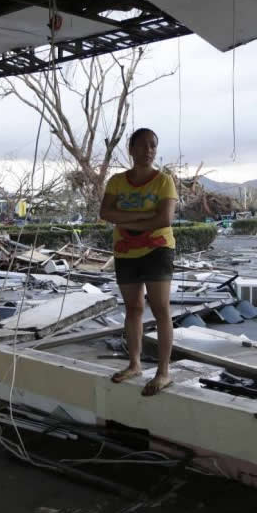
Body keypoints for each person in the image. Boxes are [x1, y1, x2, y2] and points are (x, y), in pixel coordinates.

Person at [99, 128, 177, 396]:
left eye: (153, 145)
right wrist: (143, 220)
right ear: (130, 149)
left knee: (160, 308)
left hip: (158, 249)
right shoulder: (117, 181)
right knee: (133, 308)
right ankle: (134, 364)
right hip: (125, 252)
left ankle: (163, 372)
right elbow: (105, 212)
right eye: (142, 145)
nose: (148, 150)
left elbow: (164, 219)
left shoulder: (164, 181)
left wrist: (126, 220)